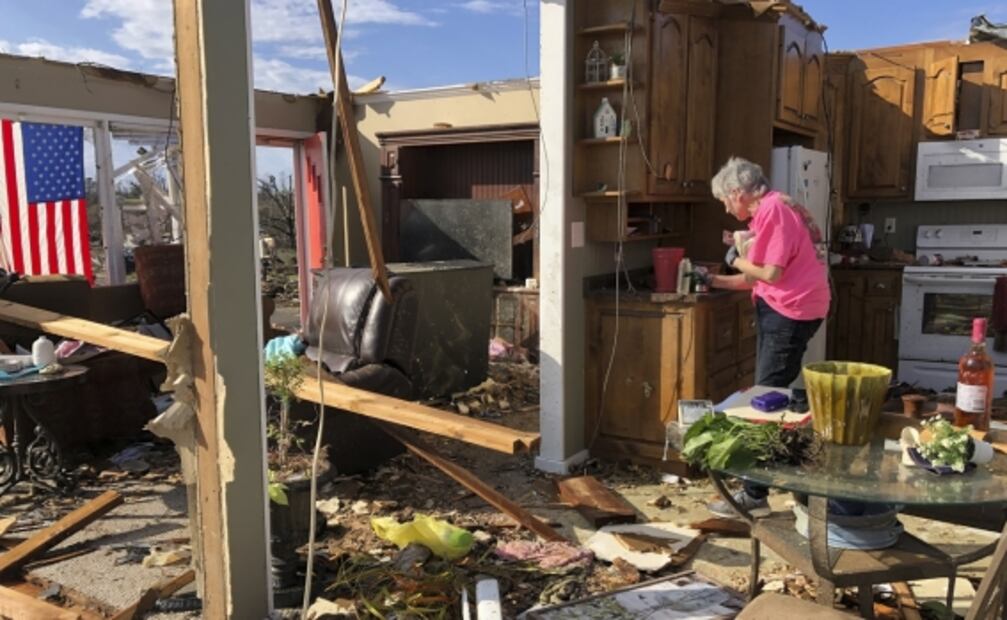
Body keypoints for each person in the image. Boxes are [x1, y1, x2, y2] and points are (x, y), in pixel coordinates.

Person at [704, 157, 831, 518]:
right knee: (779, 395)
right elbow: (755, 279)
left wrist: (733, 258)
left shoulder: (773, 210)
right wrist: (711, 279)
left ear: (737, 193)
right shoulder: (775, 208)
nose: (727, 209)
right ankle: (800, 483)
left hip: (791, 310)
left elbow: (770, 274)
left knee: (766, 400)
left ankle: (756, 494)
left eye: (725, 201)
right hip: (791, 307)